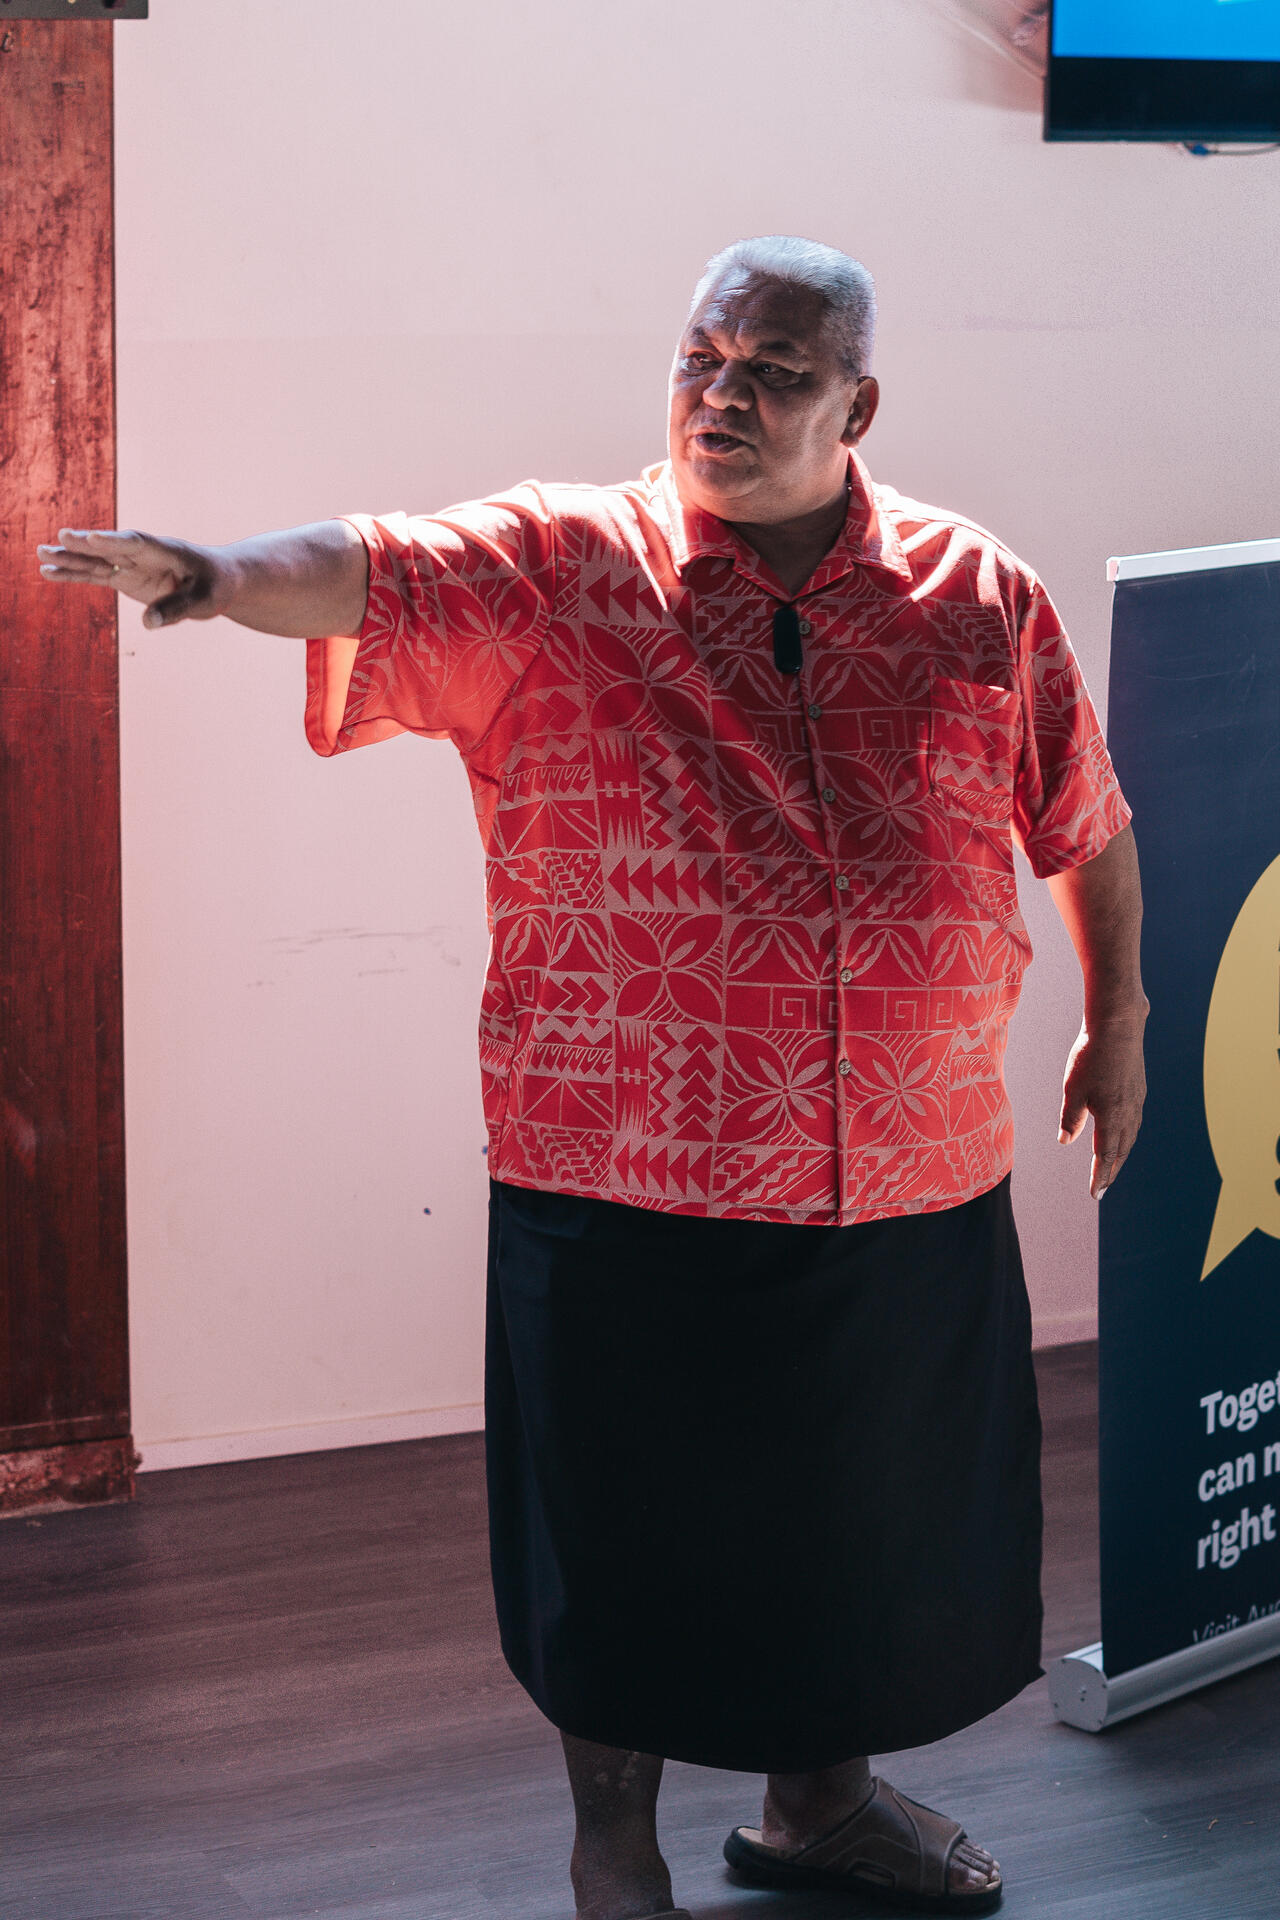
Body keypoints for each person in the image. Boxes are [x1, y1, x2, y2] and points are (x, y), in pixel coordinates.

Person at [39, 235, 1147, 1920]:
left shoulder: (973, 590)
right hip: (627, 1172)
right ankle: (613, 1852)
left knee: (861, 1532)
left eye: (775, 369)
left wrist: (1120, 1015)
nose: (725, 393)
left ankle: (818, 1808)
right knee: (625, 1549)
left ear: (859, 400)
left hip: (911, 1166)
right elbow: (375, 566)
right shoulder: (564, 564)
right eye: (703, 355)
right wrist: (214, 569)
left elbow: (1082, 817)